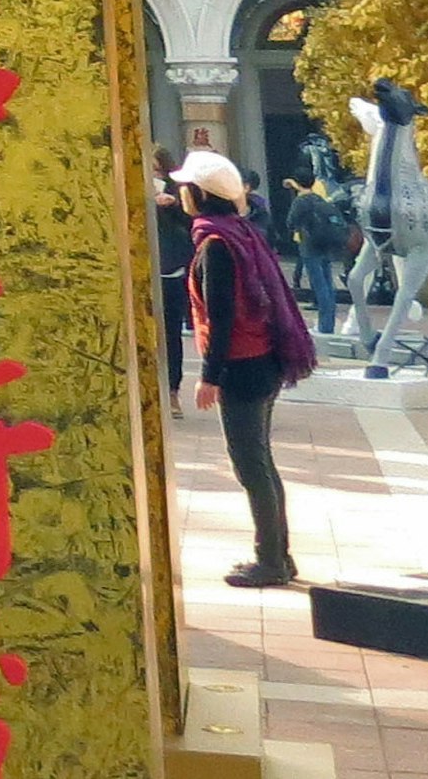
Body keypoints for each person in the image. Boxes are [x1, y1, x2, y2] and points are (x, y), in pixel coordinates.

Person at [177, 148, 317, 588]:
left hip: (243, 367)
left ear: (199, 193)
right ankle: (279, 555)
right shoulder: (239, 231)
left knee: (251, 467)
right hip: (266, 362)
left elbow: (222, 317)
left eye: (186, 187)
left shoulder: (217, 246)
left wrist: (209, 376)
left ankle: (270, 561)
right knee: (262, 464)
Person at [282, 175, 354, 341]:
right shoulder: (319, 198)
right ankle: (328, 324)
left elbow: (290, 223)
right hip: (326, 246)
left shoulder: (301, 201)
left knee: (319, 286)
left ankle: (324, 326)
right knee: (328, 284)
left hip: (310, 247)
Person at [149, 147, 194, 392]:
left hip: (171, 269)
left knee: (170, 333)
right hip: (145, 268)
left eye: (157, 169)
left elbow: (189, 222)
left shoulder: (178, 191)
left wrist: (172, 204)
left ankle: (172, 388)